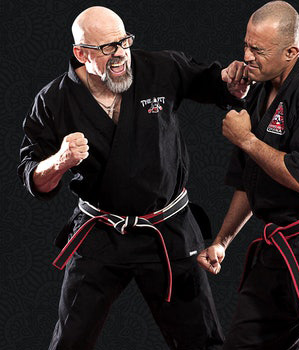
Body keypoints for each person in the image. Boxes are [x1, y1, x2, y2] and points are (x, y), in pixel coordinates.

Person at [17, 6, 245, 350]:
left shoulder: (160, 68)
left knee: (202, 341)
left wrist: (233, 83)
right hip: (102, 232)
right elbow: (34, 179)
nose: (121, 53)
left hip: (167, 229)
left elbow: (215, 84)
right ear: (80, 53)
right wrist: (60, 160)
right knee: (69, 341)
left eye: (123, 41)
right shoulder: (54, 100)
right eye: (107, 47)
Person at [198, 1, 299, 349]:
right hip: (278, 251)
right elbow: (251, 181)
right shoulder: (262, 89)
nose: (247, 56)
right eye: (246, 45)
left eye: (259, 50)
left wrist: (247, 139)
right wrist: (222, 241)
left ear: (291, 52)